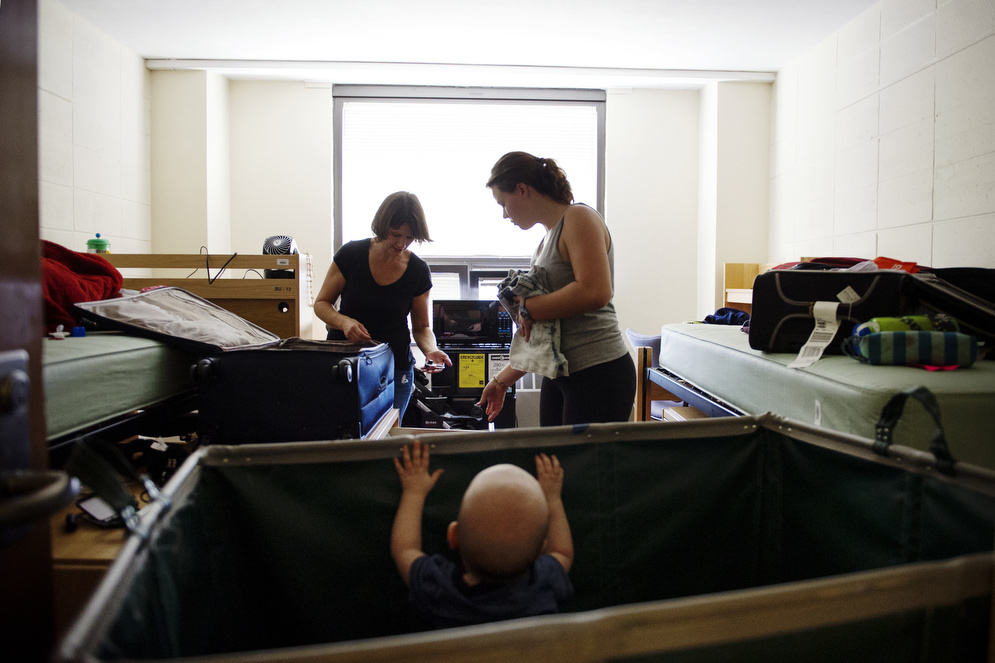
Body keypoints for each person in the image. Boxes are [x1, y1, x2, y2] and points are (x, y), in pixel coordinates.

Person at [478, 151, 636, 426]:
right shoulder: (542, 245)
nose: (504, 214)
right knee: (553, 464)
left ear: (522, 190)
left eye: (503, 203)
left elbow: (596, 291)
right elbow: (542, 333)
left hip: (599, 373)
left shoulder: (578, 218)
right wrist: (501, 381)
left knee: (583, 468)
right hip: (561, 374)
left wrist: (528, 308)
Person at [390, 440, 574, 629]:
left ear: (453, 535)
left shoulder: (439, 588)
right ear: (540, 552)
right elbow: (562, 552)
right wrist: (553, 499)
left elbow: (405, 549)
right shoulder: (544, 581)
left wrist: (414, 493)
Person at [314, 192, 451, 422]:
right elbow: (321, 304)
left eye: (409, 237)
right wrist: (344, 322)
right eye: (395, 234)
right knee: (344, 432)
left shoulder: (417, 270)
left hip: (394, 368)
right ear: (381, 225)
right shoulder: (351, 254)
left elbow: (421, 326)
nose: (401, 243)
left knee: (388, 437)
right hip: (347, 364)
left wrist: (430, 350)